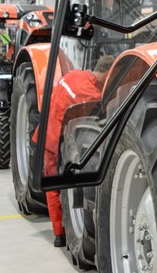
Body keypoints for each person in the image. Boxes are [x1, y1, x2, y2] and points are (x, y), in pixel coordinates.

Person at [36, 54, 115, 247]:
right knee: (54, 184)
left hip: (47, 130)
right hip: (54, 140)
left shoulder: (73, 75)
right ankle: (60, 235)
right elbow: (104, 112)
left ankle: (59, 233)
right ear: (106, 74)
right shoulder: (89, 93)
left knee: (53, 182)